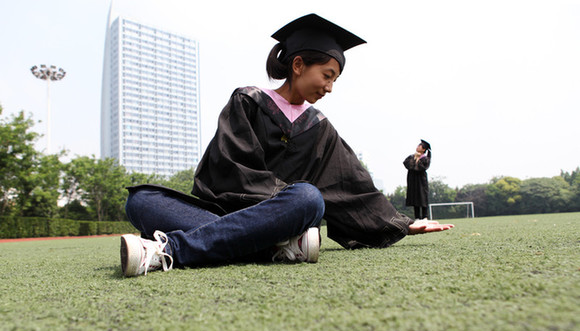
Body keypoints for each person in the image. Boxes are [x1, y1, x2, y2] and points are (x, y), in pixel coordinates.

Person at [120, 14, 453, 277]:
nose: (330, 87)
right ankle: (276, 248)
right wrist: (276, 199)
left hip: (284, 214)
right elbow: (228, 168)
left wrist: (400, 222)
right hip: (222, 213)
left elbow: (352, 184)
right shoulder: (248, 101)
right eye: (327, 75)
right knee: (141, 200)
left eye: (335, 79)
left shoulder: (319, 127)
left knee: (308, 198)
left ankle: (171, 250)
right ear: (298, 66)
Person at [403, 140, 432, 219]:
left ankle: (425, 217)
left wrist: (418, 160)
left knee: (422, 197)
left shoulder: (425, 158)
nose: (417, 147)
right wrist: (415, 158)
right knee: (415, 198)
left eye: (420, 146)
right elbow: (407, 165)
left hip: (421, 181)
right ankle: (417, 218)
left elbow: (421, 168)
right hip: (412, 181)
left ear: (423, 149)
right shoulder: (411, 157)